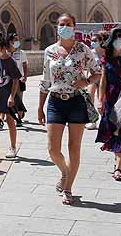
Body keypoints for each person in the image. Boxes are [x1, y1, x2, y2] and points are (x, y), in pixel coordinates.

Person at [38, 13, 101, 205]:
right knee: (53, 150)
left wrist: (87, 81)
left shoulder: (83, 49)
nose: (64, 27)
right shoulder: (49, 51)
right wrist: (40, 106)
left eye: (68, 24)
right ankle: (65, 172)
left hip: (76, 102)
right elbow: (45, 79)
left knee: (74, 148)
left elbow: (98, 71)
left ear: (74, 27)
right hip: (55, 101)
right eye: (61, 24)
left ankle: (68, 188)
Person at [96, 28, 121, 181]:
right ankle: (119, 163)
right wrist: (100, 99)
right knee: (113, 130)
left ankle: (118, 167)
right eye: (116, 38)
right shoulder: (106, 58)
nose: (119, 40)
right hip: (111, 97)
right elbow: (103, 80)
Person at [9, 32, 30, 127]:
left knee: (19, 99)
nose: (17, 41)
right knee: (9, 99)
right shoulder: (6, 53)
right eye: (15, 40)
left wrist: (25, 76)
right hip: (8, 81)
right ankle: (8, 117)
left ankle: (19, 118)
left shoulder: (21, 53)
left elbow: (25, 65)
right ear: (10, 41)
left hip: (19, 80)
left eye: (18, 39)